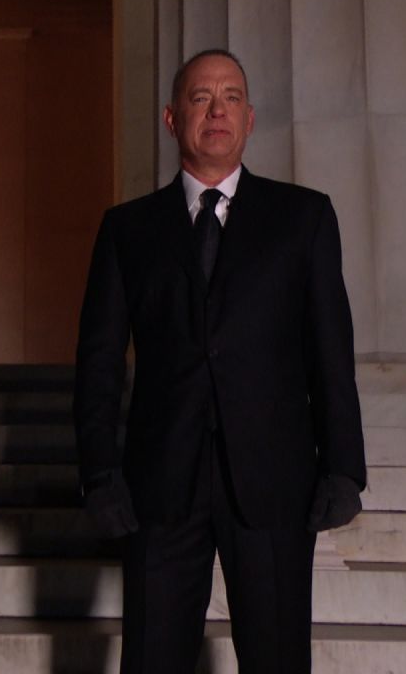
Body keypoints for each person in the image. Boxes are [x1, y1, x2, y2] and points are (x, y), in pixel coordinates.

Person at [74, 49, 367, 674]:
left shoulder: (304, 218)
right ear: (172, 118)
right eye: (201, 97)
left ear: (251, 119)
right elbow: (98, 360)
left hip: (273, 483)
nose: (217, 110)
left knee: (278, 659)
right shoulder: (128, 229)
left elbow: (329, 350)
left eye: (231, 96)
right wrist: (99, 472)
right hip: (158, 485)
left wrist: (344, 466)